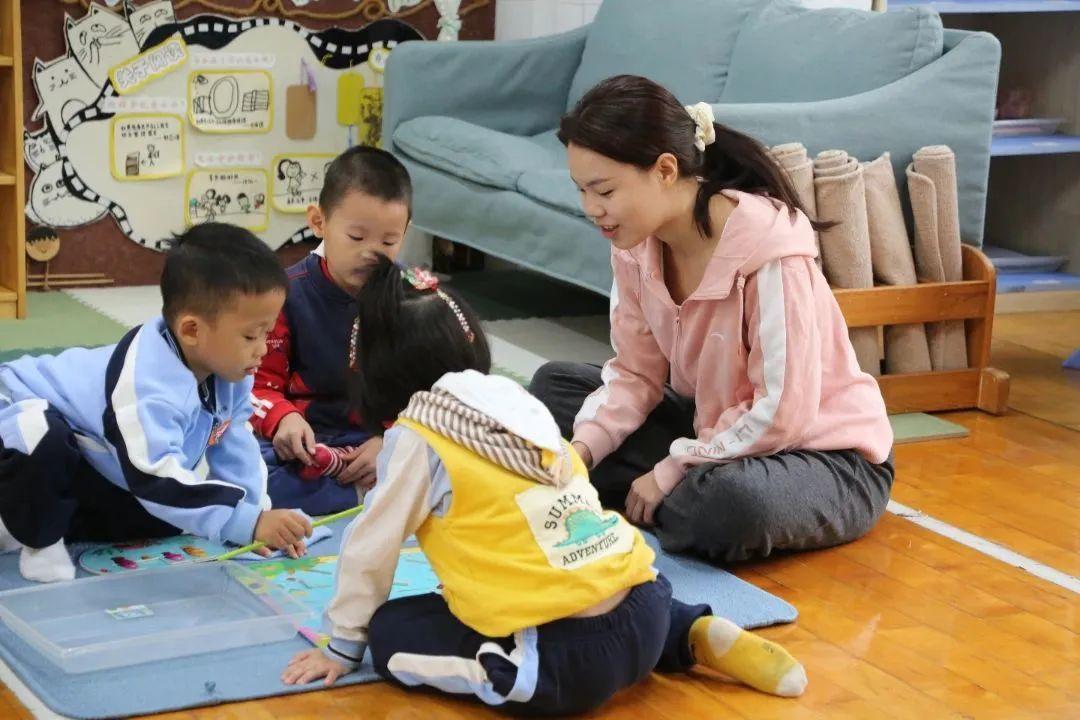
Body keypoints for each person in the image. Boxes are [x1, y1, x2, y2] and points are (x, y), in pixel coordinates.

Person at [280, 255, 807, 715]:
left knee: (389, 632)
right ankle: (689, 630)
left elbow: (370, 548)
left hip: (562, 661)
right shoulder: (519, 402)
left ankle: (511, 668)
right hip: (646, 605)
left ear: (374, 372)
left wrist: (344, 646)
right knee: (583, 578)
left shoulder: (419, 434)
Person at [529, 75, 895, 564]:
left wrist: (670, 469)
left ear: (665, 169)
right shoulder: (635, 245)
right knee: (554, 388)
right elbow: (635, 374)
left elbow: (782, 412)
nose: (591, 209)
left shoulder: (769, 252)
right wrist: (583, 451)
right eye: (582, 191)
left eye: (604, 191)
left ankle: (665, 496)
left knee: (729, 504)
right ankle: (663, 495)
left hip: (820, 454)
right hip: (713, 426)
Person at [0, 223, 313, 583]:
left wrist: (256, 518)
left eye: (267, 333)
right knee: (44, 437)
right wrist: (249, 522)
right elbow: (152, 476)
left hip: (98, 456)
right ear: (192, 330)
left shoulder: (233, 371)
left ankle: (41, 513)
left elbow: (237, 445)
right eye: (250, 336)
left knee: (172, 517)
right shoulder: (145, 382)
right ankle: (34, 535)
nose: (262, 349)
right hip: (15, 409)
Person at [252, 146, 412, 515]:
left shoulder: (414, 298)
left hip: (382, 437)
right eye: (356, 237)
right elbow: (256, 384)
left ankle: (369, 490)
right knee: (249, 477)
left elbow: (433, 393)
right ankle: (366, 494)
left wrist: (392, 439)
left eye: (389, 242)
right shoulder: (284, 295)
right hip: (308, 440)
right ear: (319, 222)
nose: (372, 253)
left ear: (405, 234)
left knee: (451, 459)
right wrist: (283, 418)